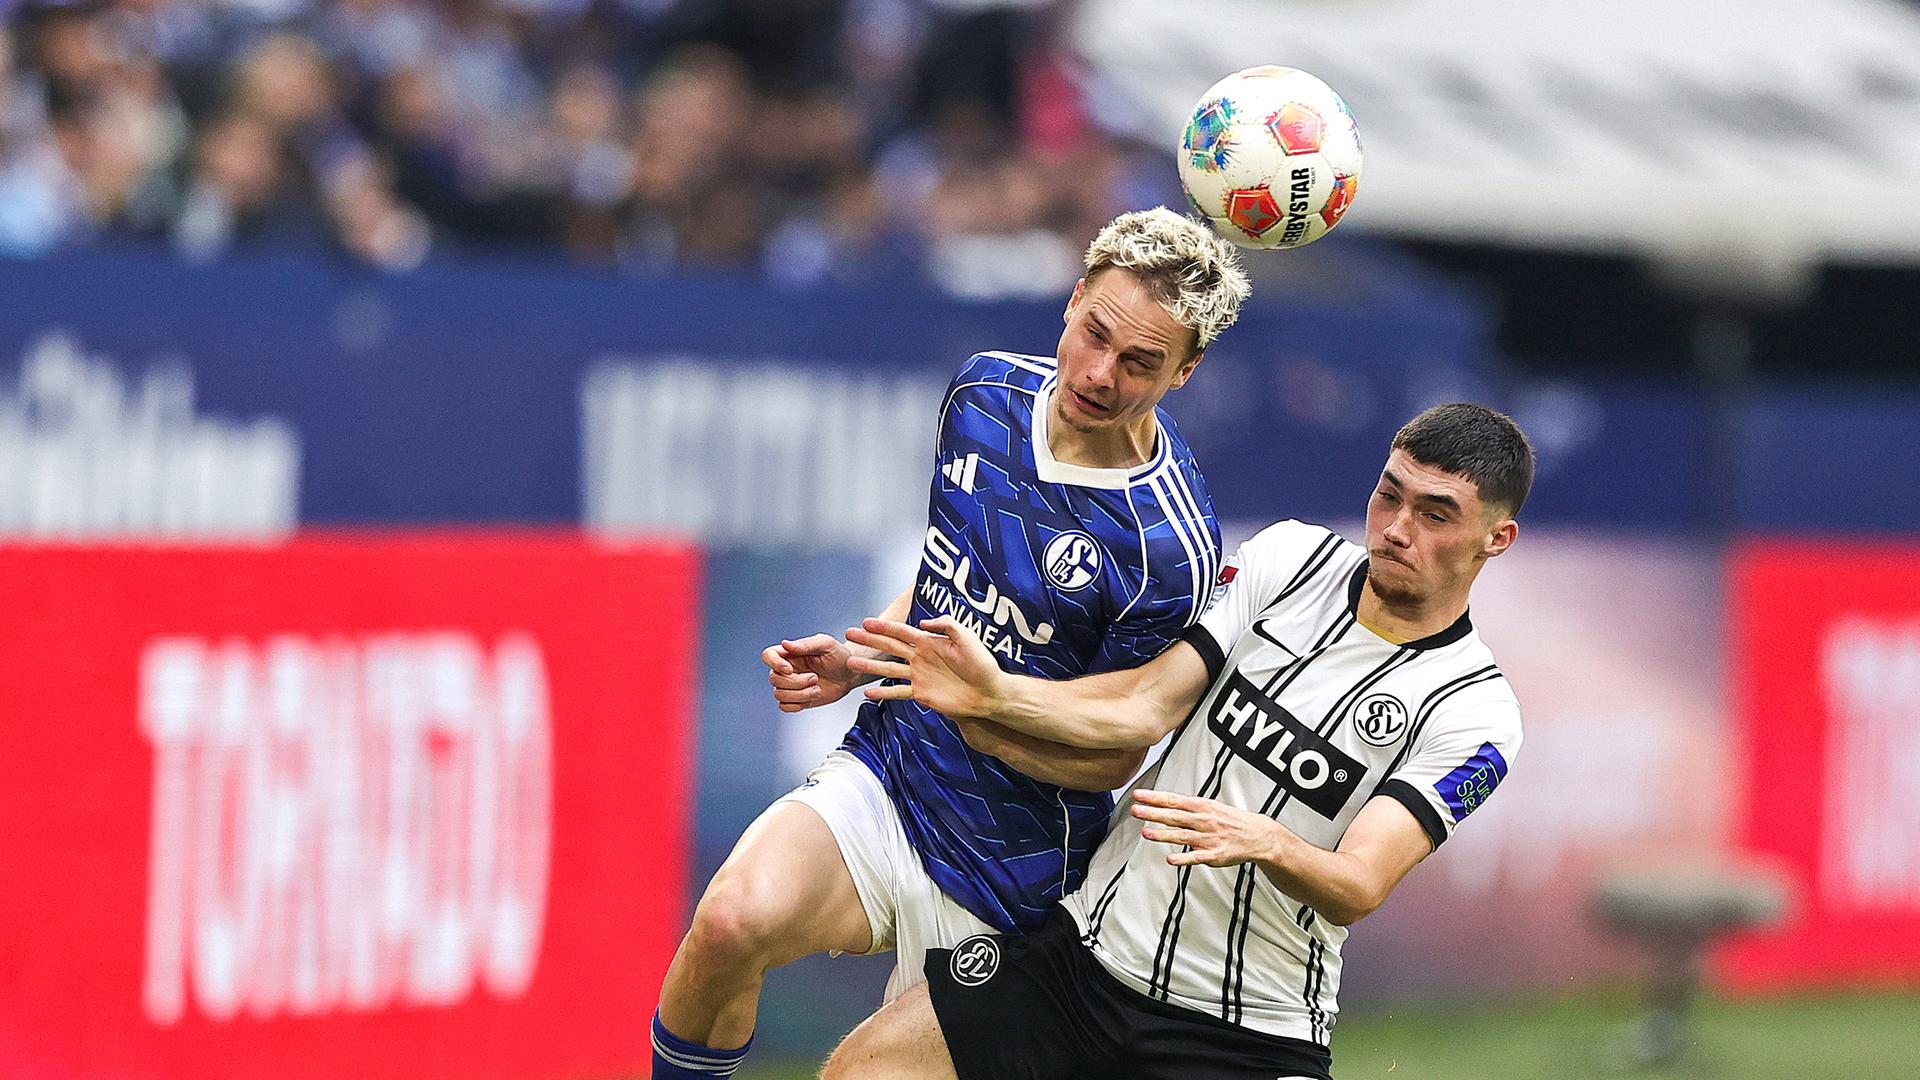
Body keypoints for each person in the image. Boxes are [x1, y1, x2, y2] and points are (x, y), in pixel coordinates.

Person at [650, 207, 1252, 1080]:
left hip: (1013, 872)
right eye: (1094, 333)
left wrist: (981, 713)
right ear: (1075, 299)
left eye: (1140, 363)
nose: (1098, 372)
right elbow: (949, 573)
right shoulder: (983, 394)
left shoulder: (1168, 545)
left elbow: (1113, 755)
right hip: (892, 776)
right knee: (731, 923)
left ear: (1185, 370)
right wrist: (872, 655)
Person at [826, 403, 1534, 1080]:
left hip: (1246, 1029)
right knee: (863, 1068)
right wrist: (995, 698)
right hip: (1086, 963)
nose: (1398, 528)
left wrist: (1268, 840)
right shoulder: (1290, 561)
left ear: (1495, 538)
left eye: (1436, 514)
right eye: (1390, 495)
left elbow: (1357, 884)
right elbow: (1149, 701)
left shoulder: (1475, 713)